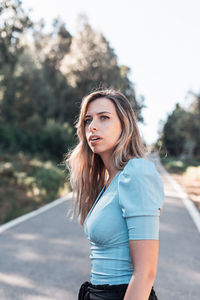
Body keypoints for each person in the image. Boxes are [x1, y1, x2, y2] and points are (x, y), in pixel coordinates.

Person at [65, 89, 165, 300]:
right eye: (88, 120)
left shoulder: (136, 173)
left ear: (125, 126)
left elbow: (146, 273)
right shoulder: (109, 182)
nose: (92, 126)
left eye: (104, 118)